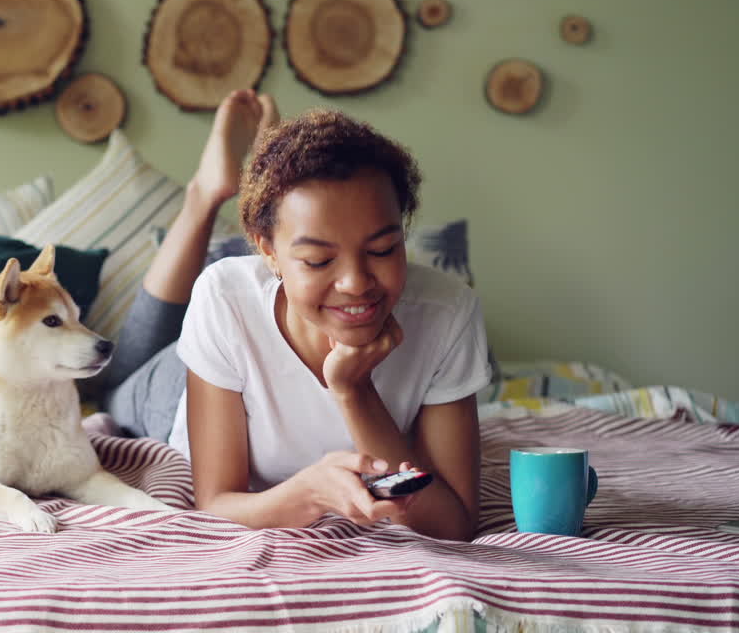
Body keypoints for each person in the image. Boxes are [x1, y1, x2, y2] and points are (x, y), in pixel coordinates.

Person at [96, 90, 490, 542]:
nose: (356, 283)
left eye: (382, 250)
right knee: (114, 380)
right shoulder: (225, 298)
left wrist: (355, 390)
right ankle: (205, 195)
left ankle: (269, 168)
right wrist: (309, 494)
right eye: (319, 261)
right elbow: (217, 502)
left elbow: (454, 524)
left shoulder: (448, 312)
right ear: (268, 252)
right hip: (174, 391)